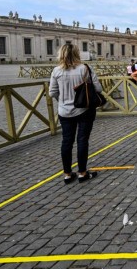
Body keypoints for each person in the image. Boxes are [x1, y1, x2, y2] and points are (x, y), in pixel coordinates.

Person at [49, 43, 101, 184]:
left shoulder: (56, 71)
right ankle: (82, 173)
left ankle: (67, 174)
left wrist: (63, 101)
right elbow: (98, 88)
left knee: (67, 141)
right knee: (82, 140)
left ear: (61, 54)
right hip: (83, 109)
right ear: (77, 54)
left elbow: (52, 92)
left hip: (64, 112)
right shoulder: (84, 68)